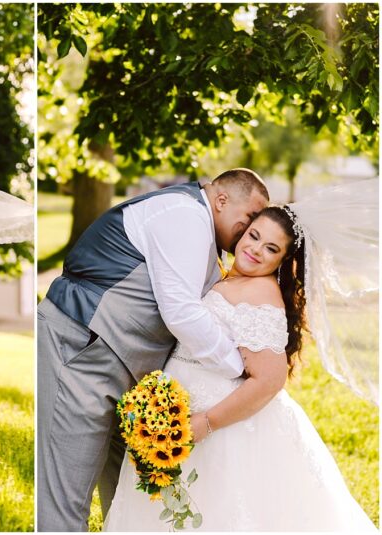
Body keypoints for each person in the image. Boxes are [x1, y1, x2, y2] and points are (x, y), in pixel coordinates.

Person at [103, 205, 376, 531]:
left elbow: (269, 381)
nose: (256, 249)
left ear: (282, 260)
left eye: (271, 248)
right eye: (254, 236)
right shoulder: (229, 279)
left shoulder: (260, 292)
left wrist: (205, 423)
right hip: (178, 414)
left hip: (221, 427)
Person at [37, 169, 269, 531]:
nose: (253, 229)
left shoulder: (205, 236)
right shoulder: (184, 214)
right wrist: (238, 366)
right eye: (251, 217)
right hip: (81, 346)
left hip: (129, 376)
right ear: (222, 199)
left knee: (130, 502)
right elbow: (181, 311)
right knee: (64, 496)